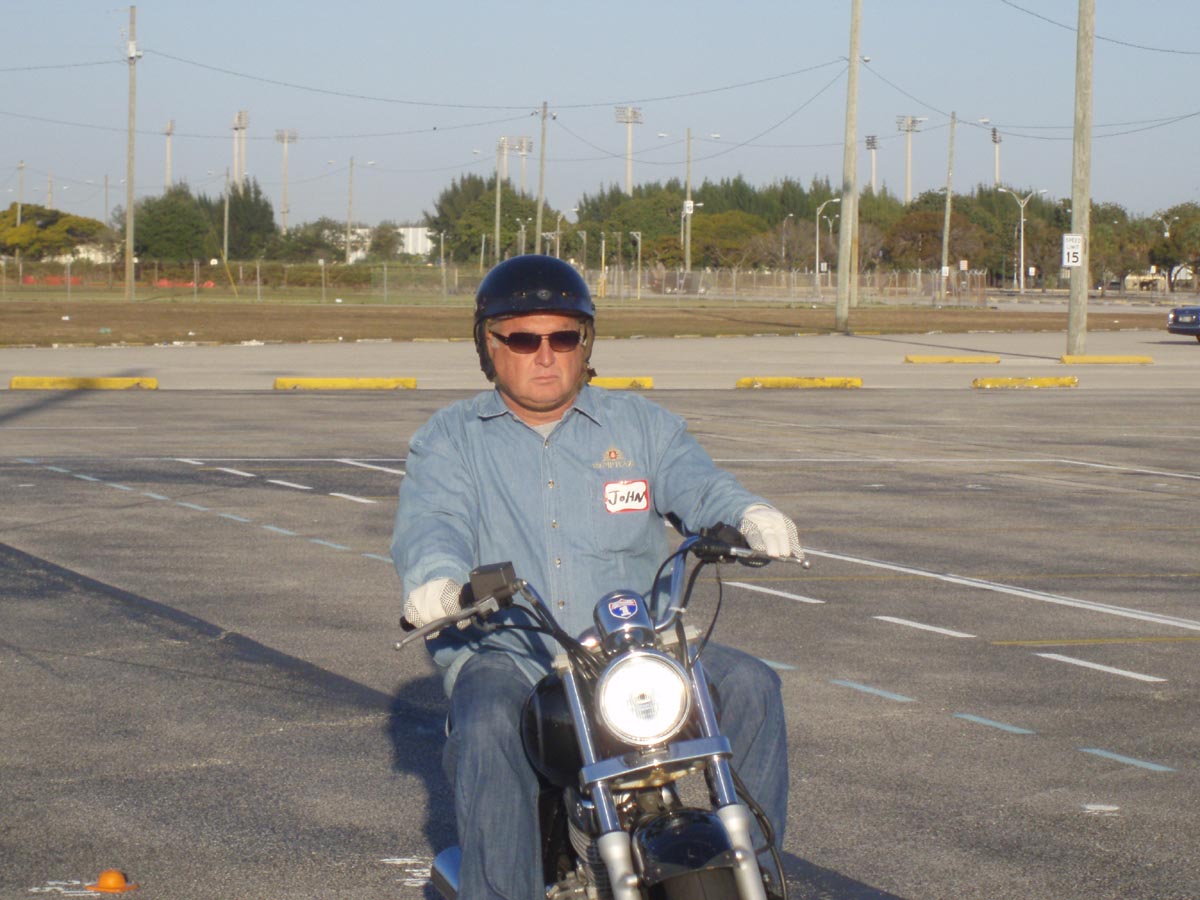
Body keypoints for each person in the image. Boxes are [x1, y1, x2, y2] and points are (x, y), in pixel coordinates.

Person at [391, 254, 803, 900]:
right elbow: (432, 525)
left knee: (752, 685)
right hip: (516, 652)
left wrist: (748, 514)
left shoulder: (641, 427)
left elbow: (700, 485)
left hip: (637, 647)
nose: (545, 355)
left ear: (586, 344)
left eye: (563, 338)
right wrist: (437, 585)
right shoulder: (450, 441)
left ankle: (757, 874)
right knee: (486, 720)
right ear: (488, 346)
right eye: (523, 339)